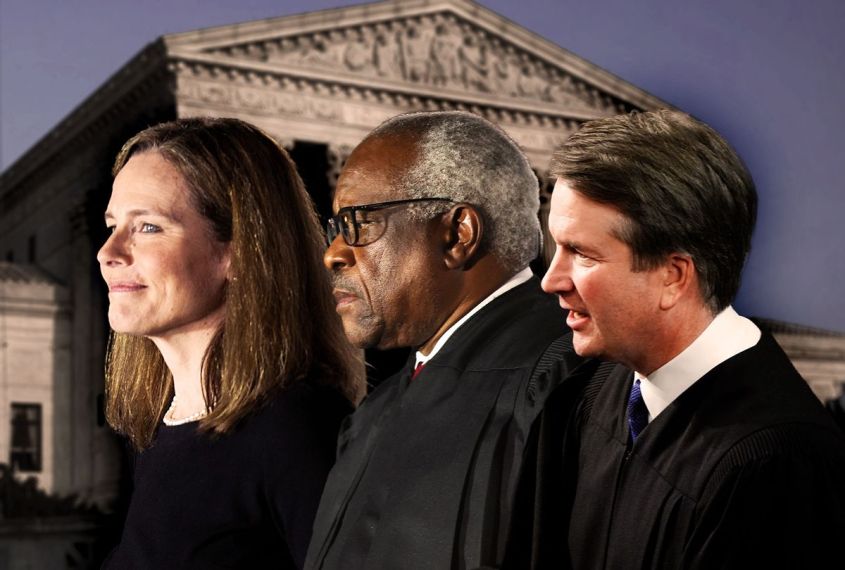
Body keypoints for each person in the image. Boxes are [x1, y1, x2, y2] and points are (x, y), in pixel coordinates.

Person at [541, 109, 845, 568]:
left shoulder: (774, 463)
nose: (551, 280)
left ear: (673, 275)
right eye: (556, 246)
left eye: (581, 254)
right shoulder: (610, 388)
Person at [305, 111, 579, 570]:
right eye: (336, 228)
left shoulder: (570, 382)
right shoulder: (374, 413)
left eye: (359, 222)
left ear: (457, 235)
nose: (333, 254)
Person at [97, 117, 363, 569]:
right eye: (113, 224)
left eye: (148, 228)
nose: (108, 252)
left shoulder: (294, 428)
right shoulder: (162, 430)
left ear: (239, 254)